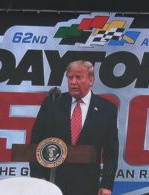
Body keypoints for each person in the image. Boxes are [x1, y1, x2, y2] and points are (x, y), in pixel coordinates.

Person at [30, 60, 119, 195]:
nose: (73, 82)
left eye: (78, 77)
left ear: (91, 80)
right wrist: (38, 177)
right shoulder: (53, 103)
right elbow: (36, 140)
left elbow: (111, 151)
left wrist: (107, 184)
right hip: (52, 182)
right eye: (70, 77)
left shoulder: (106, 109)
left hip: (88, 184)